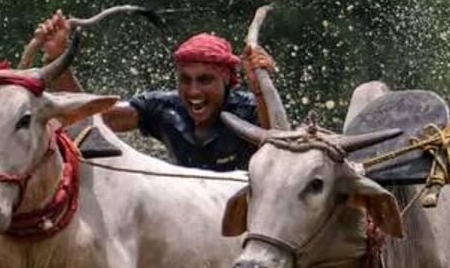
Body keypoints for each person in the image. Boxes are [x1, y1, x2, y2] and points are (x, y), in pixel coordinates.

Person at [30, 10, 276, 171]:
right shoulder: (164, 107)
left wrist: (260, 89)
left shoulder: (249, 108)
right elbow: (96, 117)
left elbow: (278, 144)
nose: (193, 91)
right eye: (185, 80)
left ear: (227, 81)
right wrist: (59, 57)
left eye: (205, 80)